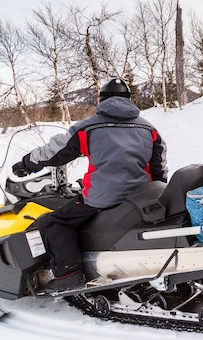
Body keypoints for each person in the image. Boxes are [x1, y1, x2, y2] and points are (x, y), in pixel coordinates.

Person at [12, 78, 168, 292]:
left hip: (103, 197)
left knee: (57, 222)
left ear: (102, 100)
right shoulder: (149, 129)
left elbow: (56, 152)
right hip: (141, 196)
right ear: (129, 100)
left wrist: (26, 163)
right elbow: (159, 169)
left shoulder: (90, 126)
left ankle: (68, 275)